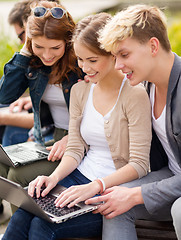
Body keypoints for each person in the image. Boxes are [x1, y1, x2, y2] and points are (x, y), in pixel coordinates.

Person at [2, 11, 152, 240]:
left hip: (112, 189)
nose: (85, 68)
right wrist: (53, 178)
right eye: (80, 60)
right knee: (24, 214)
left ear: (113, 55)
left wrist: (95, 186)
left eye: (92, 60)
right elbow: (75, 146)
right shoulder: (80, 90)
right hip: (77, 178)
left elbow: (140, 164)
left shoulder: (134, 95)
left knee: (42, 229)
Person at [84, 4, 181, 240]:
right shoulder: (145, 85)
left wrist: (138, 194)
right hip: (170, 176)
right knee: (114, 201)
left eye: (124, 55)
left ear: (153, 46)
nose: (118, 65)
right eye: (115, 57)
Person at [0, 1, 83, 213]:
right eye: (39, 46)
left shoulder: (82, 63)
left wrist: (72, 138)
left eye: (55, 48)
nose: (46, 55)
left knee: (17, 176)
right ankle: (20, 229)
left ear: (68, 41)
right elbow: (5, 96)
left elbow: (103, 111)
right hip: (50, 137)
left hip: (80, 139)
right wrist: (26, 51)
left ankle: (24, 228)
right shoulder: (34, 63)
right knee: (1, 165)